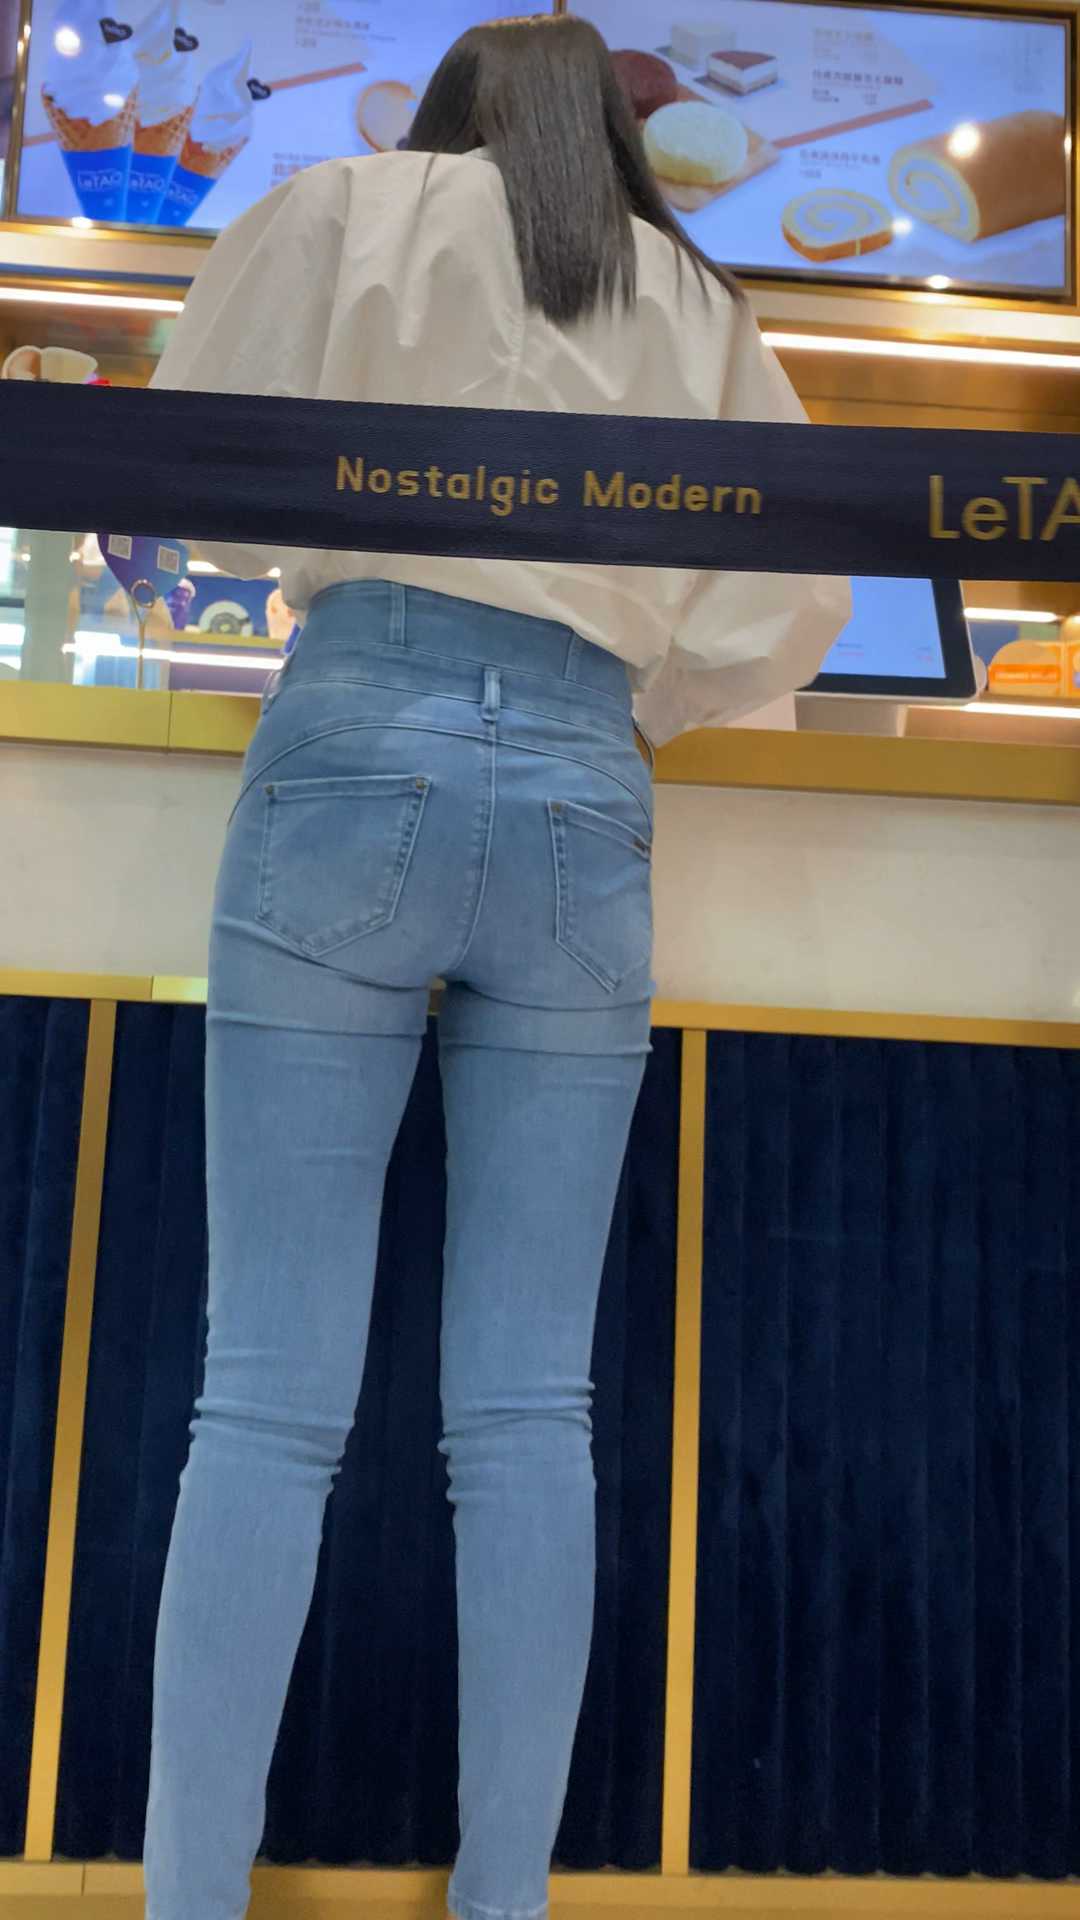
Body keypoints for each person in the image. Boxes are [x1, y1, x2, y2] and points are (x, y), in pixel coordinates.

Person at [142, 17, 850, 1920]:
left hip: (350, 739)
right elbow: (792, 596)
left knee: (263, 1400)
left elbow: (190, 467)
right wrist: (629, 701)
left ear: (447, 108)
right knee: (530, 1414)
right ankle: (504, 1902)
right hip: (579, 785)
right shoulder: (692, 291)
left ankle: (190, 1899)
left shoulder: (338, 202)